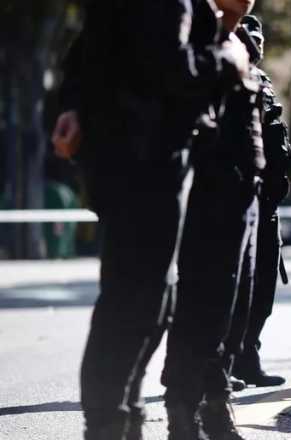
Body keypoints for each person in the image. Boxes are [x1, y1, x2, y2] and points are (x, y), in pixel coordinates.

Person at [51, 1, 251, 439]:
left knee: (144, 299)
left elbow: (89, 53)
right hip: (148, 159)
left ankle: (121, 420)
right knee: (136, 300)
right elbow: (171, 70)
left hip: (135, 155)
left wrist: (71, 107)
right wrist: (228, 58)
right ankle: (110, 425)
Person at [159, 0, 264, 438]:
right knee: (197, 306)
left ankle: (216, 403)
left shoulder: (244, 44)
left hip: (244, 194)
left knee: (229, 308)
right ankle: (182, 409)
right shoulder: (195, 38)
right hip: (204, 191)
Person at [228, 14, 291, 389]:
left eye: (260, 36)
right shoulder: (226, 75)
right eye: (249, 35)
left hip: (266, 202)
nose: (257, 42)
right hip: (235, 196)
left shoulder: (262, 82)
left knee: (263, 284)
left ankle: (248, 357)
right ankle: (219, 365)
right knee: (230, 285)